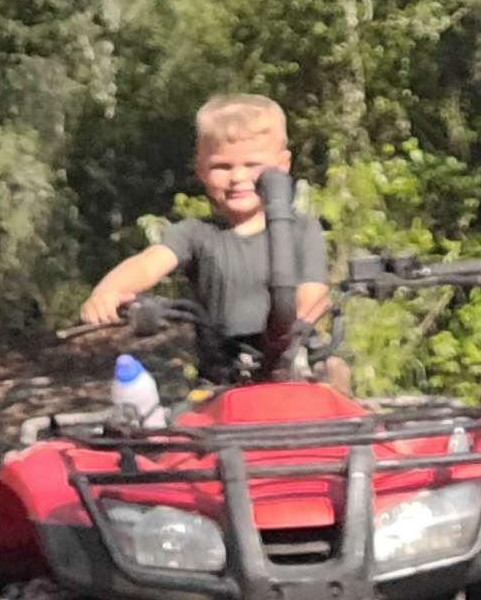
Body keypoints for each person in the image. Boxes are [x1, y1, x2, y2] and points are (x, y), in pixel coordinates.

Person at [77, 94, 336, 383]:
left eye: (253, 164)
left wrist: (294, 335)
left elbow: (313, 297)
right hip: (222, 377)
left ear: (282, 165)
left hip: (294, 369)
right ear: (201, 169)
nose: (238, 177)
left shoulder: (302, 229)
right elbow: (149, 263)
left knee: (336, 383)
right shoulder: (194, 233)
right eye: (222, 167)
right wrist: (108, 292)